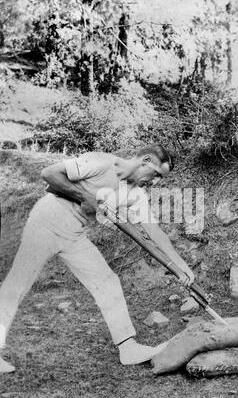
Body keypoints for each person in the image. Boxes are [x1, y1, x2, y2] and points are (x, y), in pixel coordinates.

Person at [0, 145, 195, 373]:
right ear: (145, 160)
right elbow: (49, 174)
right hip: (46, 220)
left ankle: (128, 348)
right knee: (17, 285)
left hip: (74, 233)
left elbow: (154, 233)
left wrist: (182, 266)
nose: (156, 183)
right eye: (157, 175)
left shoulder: (136, 195)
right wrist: (85, 196)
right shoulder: (101, 162)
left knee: (107, 281)